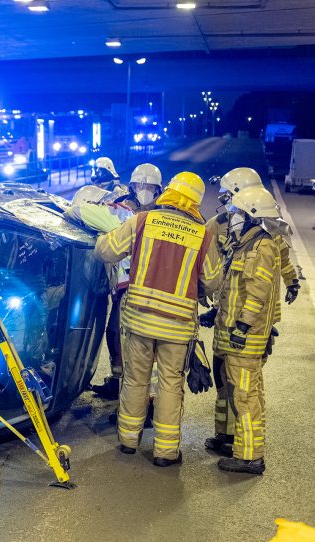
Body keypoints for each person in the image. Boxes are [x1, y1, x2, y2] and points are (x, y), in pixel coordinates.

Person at [95, 172, 222, 467]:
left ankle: (128, 440)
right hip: (177, 326)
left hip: (139, 319)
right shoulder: (202, 235)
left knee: (136, 380)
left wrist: (101, 233)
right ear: (195, 202)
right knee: (169, 385)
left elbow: (106, 251)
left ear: (168, 193)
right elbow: (214, 282)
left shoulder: (142, 221)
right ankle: (165, 453)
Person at [200, 167, 300, 458]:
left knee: (245, 388)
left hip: (245, 325)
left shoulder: (262, 241)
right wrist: (216, 310)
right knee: (226, 379)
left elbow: (258, 288)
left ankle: (249, 452)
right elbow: (229, 280)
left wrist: (248, 326)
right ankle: (228, 434)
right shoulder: (233, 231)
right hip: (228, 317)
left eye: (230, 200)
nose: (226, 207)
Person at [92, 163, 164, 400]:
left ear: (158, 188)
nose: (144, 189)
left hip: (154, 287)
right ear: (132, 186)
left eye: (149, 185)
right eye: (139, 184)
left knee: (145, 344)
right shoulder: (120, 209)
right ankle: (118, 381)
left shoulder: (165, 212)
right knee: (114, 332)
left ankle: (144, 399)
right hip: (125, 288)